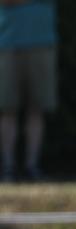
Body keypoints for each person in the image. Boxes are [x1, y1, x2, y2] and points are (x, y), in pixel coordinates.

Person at [0, 0, 58, 183]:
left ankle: (32, 167)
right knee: (7, 108)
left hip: (42, 41)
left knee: (37, 108)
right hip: (7, 43)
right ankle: (8, 168)